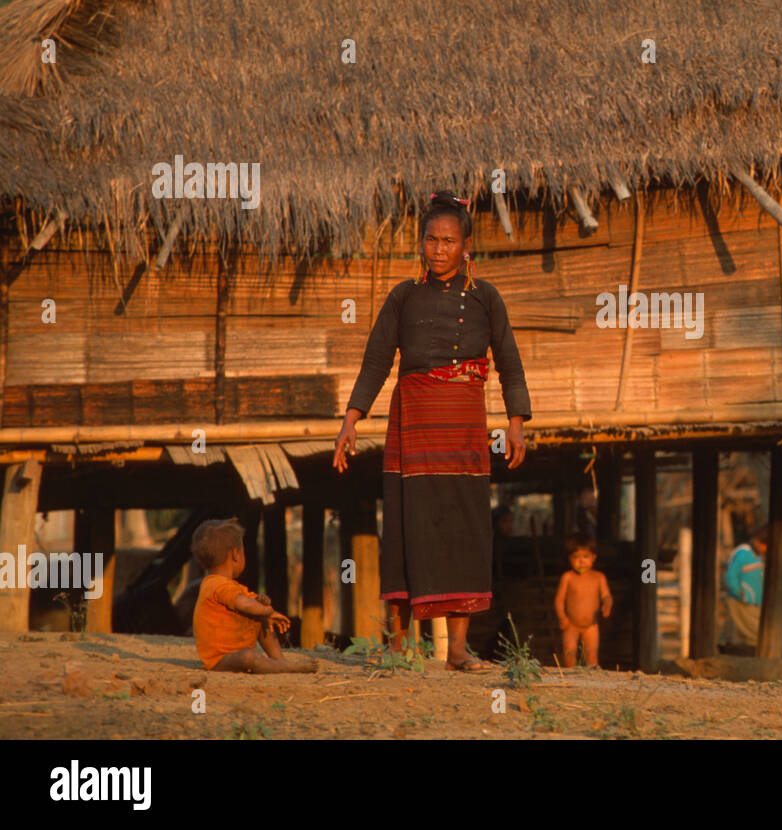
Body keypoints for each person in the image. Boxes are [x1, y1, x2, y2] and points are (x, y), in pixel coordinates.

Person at [333, 191, 531, 673]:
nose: (438, 249)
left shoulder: (486, 297)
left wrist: (516, 423)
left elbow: (508, 359)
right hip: (414, 420)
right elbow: (378, 358)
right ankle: (401, 644)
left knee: (464, 522)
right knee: (408, 519)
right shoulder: (403, 296)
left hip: (463, 422)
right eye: (430, 240)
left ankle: (458, 650)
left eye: (448, 241)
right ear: (421, 242)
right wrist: (351, 420)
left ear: (466, 246)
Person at [190, 518, 317, 673]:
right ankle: (286, 667)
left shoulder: (226, 585)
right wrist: (268, 611)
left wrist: (261, 602)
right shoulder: (217, 585)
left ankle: (279, 660)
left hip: (235, 651)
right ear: (236, 555)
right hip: (220, 660)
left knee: (260, 619)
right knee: (249, 657)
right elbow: (243, 604)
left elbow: (249, 603)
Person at [553, 535, 612, 668]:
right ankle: (570, 678)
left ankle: (591, 681)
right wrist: (562, 617)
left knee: (591, 655)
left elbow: (606, 595)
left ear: (593, 557)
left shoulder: (599, 577)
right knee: (569, 652)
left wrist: (607, 604)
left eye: (585, 556)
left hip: (591, 625)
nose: (581, 561)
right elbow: (559, 600)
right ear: (569, 559)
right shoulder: (568, 577)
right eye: (576, 557)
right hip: (571, 624)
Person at [724, 525, 768, 646]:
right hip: (742, 602)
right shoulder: (743, 554)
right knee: (754, 634)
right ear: (757, 541)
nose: (765, 549)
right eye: (764, 545)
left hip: (754, 604)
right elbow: (730, 576)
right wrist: (740, 593)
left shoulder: (758, 557)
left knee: (754, 635)